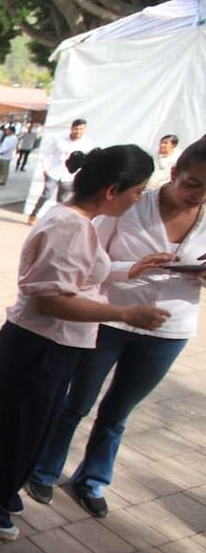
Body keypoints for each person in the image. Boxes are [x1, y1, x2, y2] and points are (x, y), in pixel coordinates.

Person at [0, 146, 170, 541]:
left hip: (50, 343)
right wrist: (125, 314)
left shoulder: (78, 221)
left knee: (24, 426)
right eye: (137, 191)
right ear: (112, 190)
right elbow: (51, 299)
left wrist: (130, 270)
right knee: (17, 427)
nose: (138, 200)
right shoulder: (69, 225)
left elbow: (82, 274)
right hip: (41, 343)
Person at [27, 135, 206, 518]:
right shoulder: (130, 203)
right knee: (77, 401)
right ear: (175, 171)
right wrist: (131, 272)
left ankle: (92, 479)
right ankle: (44, 468)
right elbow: (92, 263)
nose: (198, 196)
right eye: (193, 184)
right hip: (110, 316)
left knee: (118, 412)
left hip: (168, 328)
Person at [28, 118, 94, 226]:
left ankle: (56, 220)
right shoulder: (59, 139)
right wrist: (46, 168)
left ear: (85, 130)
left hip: (68, 176)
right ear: (72, 128)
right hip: (54, 172)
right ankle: (34, 214)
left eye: (81, 129)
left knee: (62, 200)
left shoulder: (86, 144)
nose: (78, 132)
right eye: (76, 129)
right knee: (46, 194)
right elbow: (47, 154)